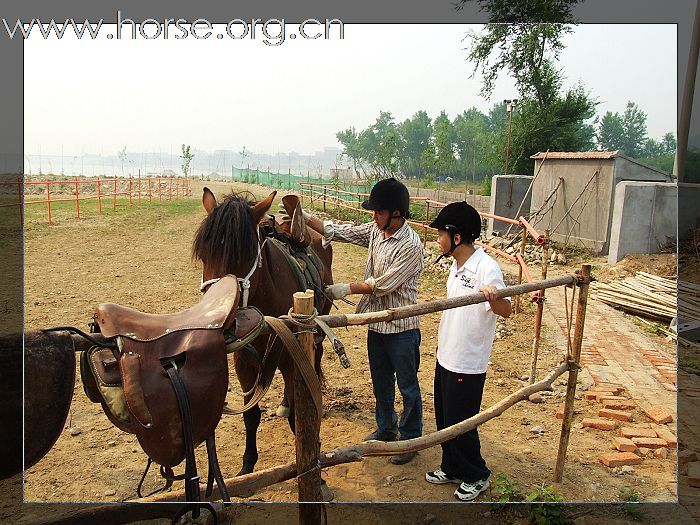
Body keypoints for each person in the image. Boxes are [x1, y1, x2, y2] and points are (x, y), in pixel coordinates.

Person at [302, 177, 424, 465]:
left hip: (402, 327)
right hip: (376, 323)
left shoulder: (410, 245)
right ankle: (385, 427)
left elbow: (384, 284)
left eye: (379, 212)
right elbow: (343, 231)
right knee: (381, 380)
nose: (374, 216)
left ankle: (411, 438)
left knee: (407, 385)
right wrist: (307, 217)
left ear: (396, 213)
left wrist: (346, 288)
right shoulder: (375, 230)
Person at [424, 201, 511, 501]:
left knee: (462, 423)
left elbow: (507, 310)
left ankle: (477, 474)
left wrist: (494, 297)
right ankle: (451, 466)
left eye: (440, 234)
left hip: (468, 362)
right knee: (444, 417)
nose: (437, 239)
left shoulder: (487, 268)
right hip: (446, 354)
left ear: (456, 236)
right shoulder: (456, 264)